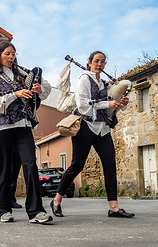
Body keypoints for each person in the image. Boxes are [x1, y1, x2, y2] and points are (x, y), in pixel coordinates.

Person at [51, 51, 135, 218]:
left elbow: (111, 106)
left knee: (110, 165)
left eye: (103, 61)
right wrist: (107, 103)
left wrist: (121, 103)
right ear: (89, 63)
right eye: (96, 61)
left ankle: (114, 207)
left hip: (102, 128)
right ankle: (56, 200)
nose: (100, 64)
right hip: (86, 126)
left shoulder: (104, 83)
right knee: (77, 165)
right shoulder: (84, 80)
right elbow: (82, 105)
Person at [0, 41, 52, 224]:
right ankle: (2, 209)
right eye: (7, 53)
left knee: (30, 165)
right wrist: (16, 94)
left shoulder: (21, 73)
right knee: (4, 170)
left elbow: (45, 87)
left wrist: (39, 89)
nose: (11, 57)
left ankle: (36, 211)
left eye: (13, 54)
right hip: (2, 128)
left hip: (23, 125)